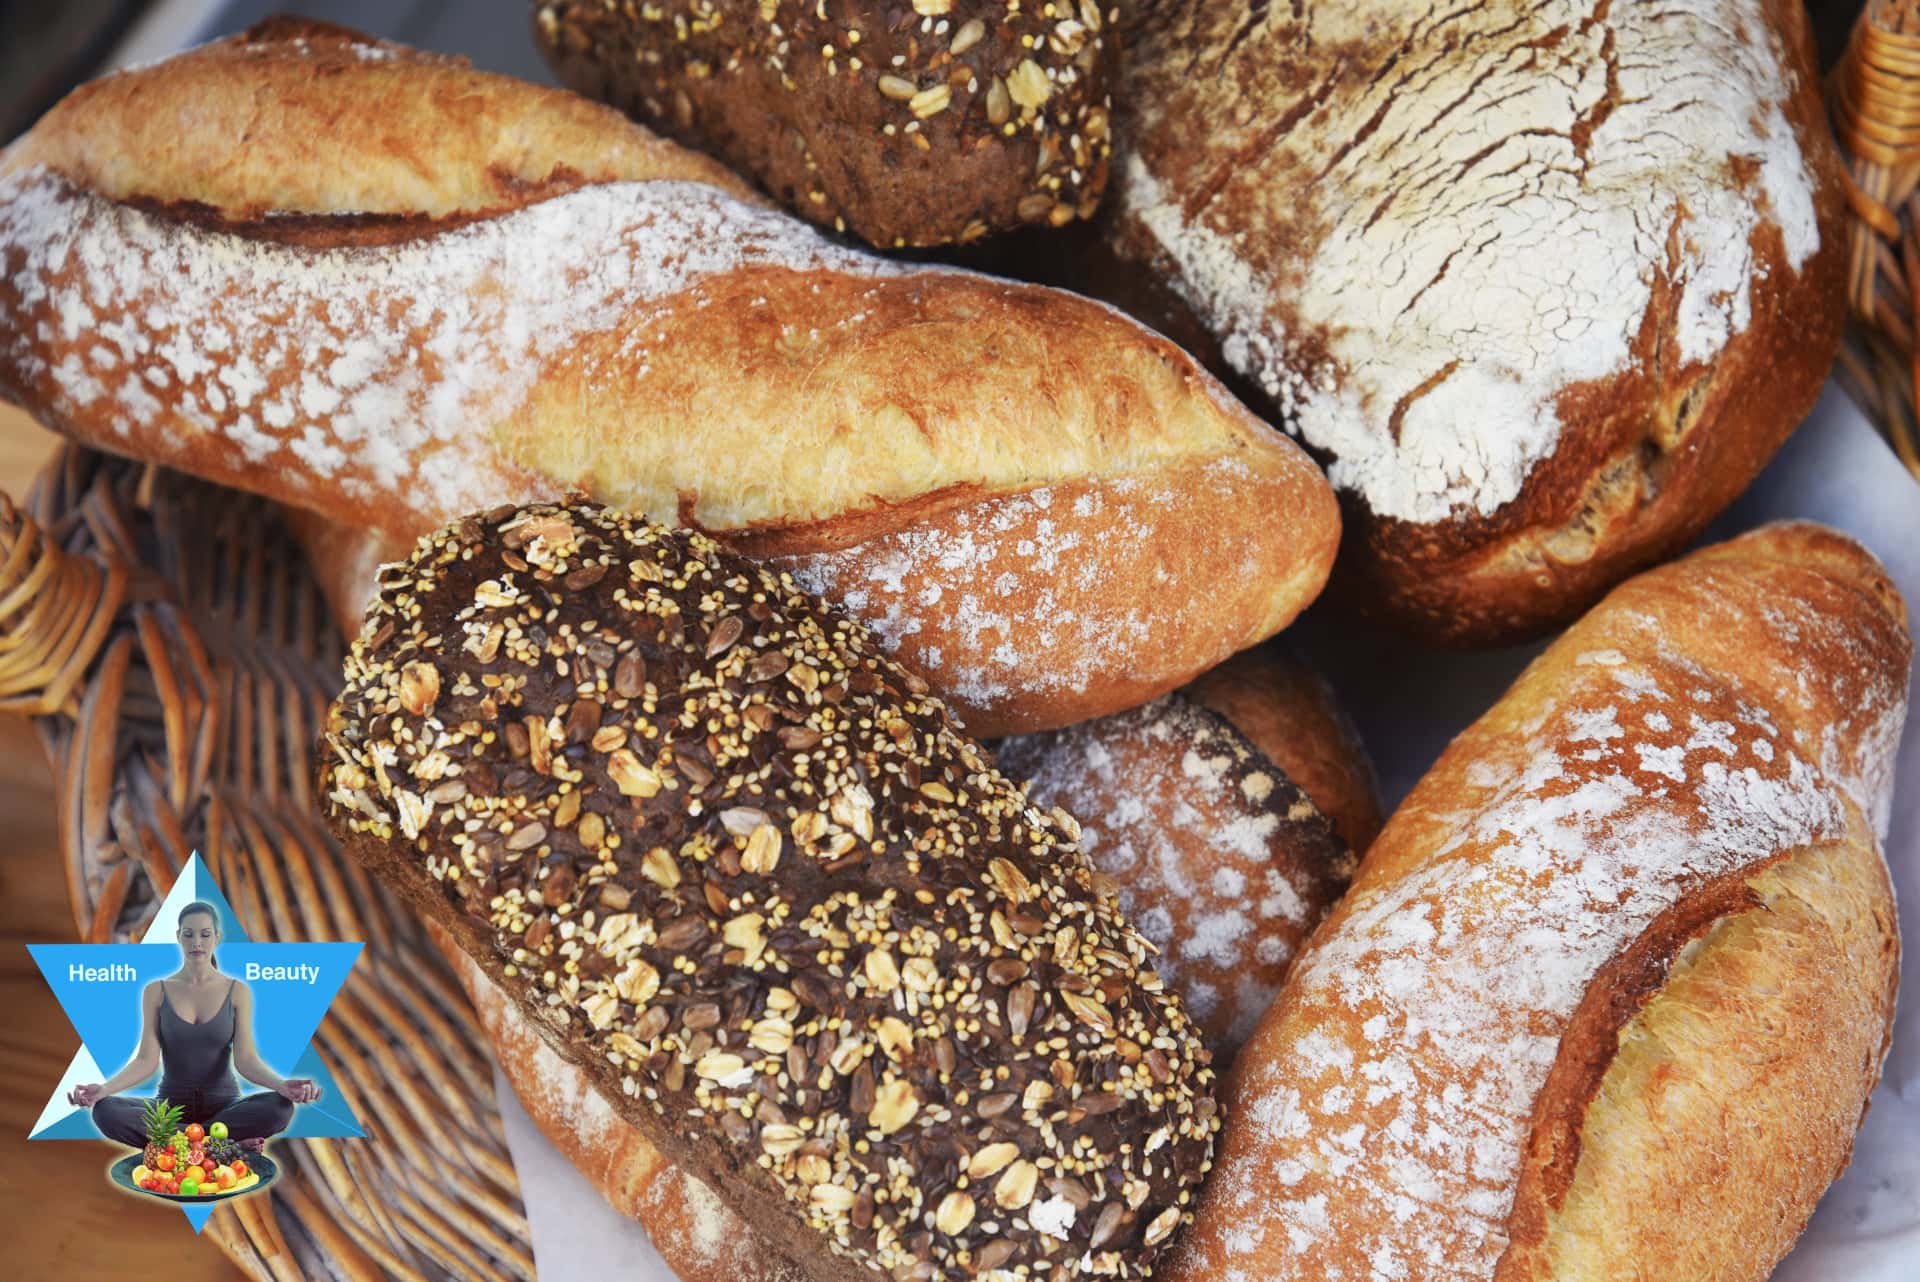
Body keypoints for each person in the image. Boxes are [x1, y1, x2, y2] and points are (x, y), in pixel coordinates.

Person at [66, 900, 319, 1151]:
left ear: (217, 938)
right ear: (179, 937)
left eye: (205, 934)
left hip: (224, 1108)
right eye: (189, 934)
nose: (197, 942)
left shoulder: (237, 990)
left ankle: (181, 1146)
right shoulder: (156, 990)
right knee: (106, 1112)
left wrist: (282, 1086)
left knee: (280, 1109)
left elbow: (246, 1060)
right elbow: (146, 1060)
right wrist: (103, 1089)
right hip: (170, 1110)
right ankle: (219, 1147)